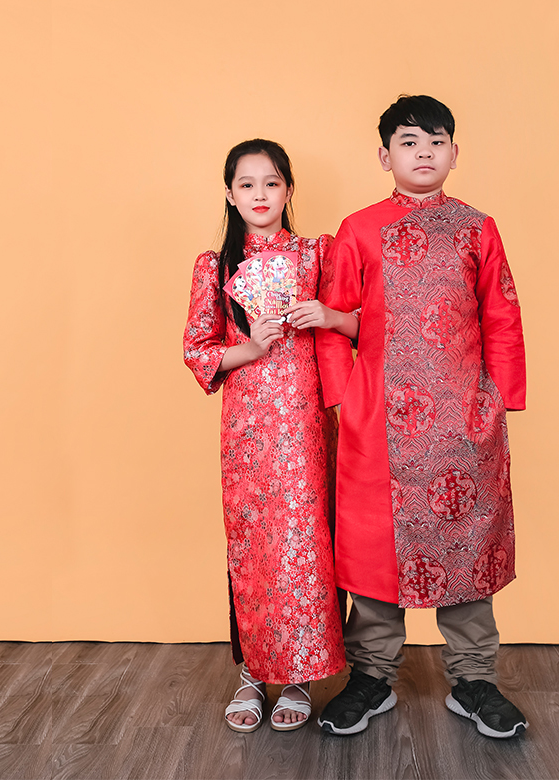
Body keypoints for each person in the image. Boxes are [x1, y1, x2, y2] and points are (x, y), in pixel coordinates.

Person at [314, 96, 528, 738]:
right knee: (374, 554)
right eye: (409, 142)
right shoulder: (358, 229)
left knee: (467, 550)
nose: (424, 153)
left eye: (437, 142)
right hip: (378, 420)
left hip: (463, 423)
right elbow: (333, 320)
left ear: (455, 154)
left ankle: (475, 680)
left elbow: (501, 314)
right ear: (385, 157)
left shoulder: (478, 229)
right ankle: (370, 678)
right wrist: (344, 399)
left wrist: (497, 401)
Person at [183, 139, 357, 732]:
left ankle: (301, 677)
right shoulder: (215, 267)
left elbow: (364, 320)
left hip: (308, 426)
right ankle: (254, 673)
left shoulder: (316, 255)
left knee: (308, 545)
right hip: (248, 432)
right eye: (247, 184)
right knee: (254, 548)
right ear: (230, 194)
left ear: (288, 190)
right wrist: (250, 348)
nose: (260, 194)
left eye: (272, 182)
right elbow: (197, 350)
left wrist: (327, 316)